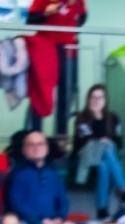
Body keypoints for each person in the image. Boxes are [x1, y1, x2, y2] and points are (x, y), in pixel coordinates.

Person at [72, 85, 125, 220]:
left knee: (104, 163)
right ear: (88, 99)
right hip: (86, 155)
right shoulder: (82, 118)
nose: (96, 101)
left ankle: (102, 208)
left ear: (105, 100)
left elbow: (119, 141)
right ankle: (124, 190)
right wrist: (101, 140)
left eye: (100, 97)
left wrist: (108, 140)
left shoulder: (113, 118)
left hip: (105, 156)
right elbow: (84, 140)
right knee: (106, 147)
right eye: (93, 97)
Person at [23, 0, 86, 135]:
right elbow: (30, 21)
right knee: (40, 94)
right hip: (45, 50)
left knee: (67, 94)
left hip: (69, 51)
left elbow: (82, 18)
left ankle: (60, 137)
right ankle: (33, 136)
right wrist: (47, 12)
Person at [5, 131, 69, 224]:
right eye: (31, 145)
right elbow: (16, 204)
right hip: (28, 221)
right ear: (24, 150)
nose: (36, 148)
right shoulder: (17, 173)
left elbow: (63, 200)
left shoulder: (54, 172)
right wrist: (42, 220)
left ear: (46, 148)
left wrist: (59, 219)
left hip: (54, 221)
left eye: (40, 144)